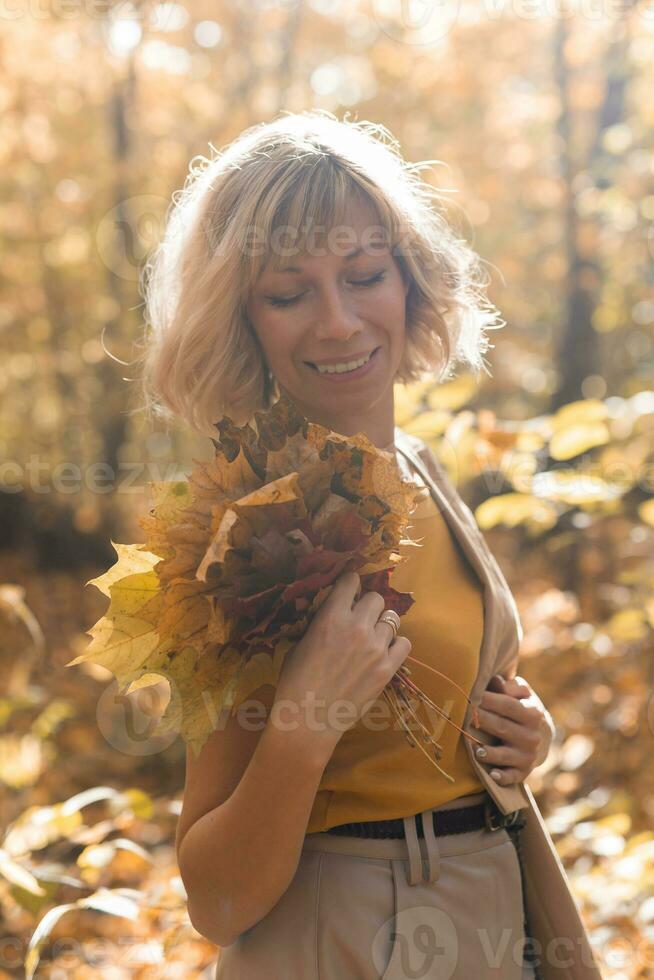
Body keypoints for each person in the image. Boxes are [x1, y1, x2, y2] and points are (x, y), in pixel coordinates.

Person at [138, 111, 602, 979]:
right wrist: (307, 720)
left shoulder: (424, 472)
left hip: (492, 912)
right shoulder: (249, 530)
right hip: (335, 938)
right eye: (288, 293)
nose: (339, 322)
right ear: (240, 317)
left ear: (410, 282)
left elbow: (435, 705)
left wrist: (510, 741)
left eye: (364, 276)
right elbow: (215, 900)